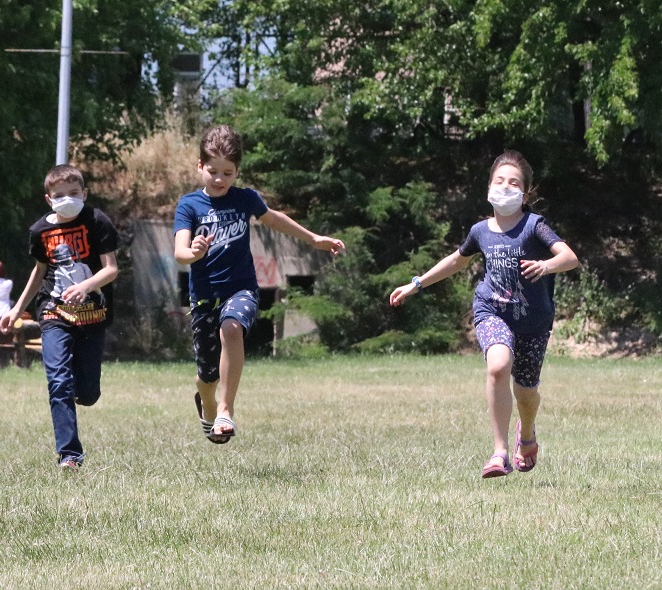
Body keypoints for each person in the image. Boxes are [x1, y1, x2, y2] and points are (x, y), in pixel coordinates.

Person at [389, 150, 579, 478]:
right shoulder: (480, 231)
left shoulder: (535, 226)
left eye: (514, 182)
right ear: (489, 187)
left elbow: (569, 257)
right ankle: (499, 453)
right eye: (499, 181)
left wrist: (546, 265)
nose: (505, 187)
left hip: (534, 322)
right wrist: (416, 283)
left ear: (525, 193)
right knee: (498, 366)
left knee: (526, 391)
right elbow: (456, 260)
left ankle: (528, 432)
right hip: (491, 310)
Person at [174, 125, 346, 444]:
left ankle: (225, 410)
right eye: (212, 171)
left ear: (237, 171)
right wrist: (193, 252)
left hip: (241, 290)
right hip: (204, 298)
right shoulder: (189, 206)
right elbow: (179, 252)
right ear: (200, 167)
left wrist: (313, 238)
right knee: (206, 376)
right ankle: (208, 401)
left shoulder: (245, 200)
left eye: (228, 172)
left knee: (232, 328)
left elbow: (273, 218)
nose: (220, 179)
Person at [0, 164, 119, 469]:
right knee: (58, 381)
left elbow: (111, 269)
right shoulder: (40, 231)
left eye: (74, 193)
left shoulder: (97, 222)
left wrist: (86, 286)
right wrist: (16, 309)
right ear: (48, 198)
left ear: (85, 193)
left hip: (92, 315)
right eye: (60, 195)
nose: (68, 198)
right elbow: (39, 271)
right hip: (53, 312)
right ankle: (70, 454)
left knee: (88, 393)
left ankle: (83, 392)